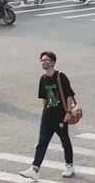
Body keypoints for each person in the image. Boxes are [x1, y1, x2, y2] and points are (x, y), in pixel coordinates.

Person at [19, 52, 76, 181]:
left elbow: (69, 95)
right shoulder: (42, 79)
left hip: (61, 115)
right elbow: (44, 98)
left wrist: (68, 112)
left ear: (53, 62)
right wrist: (45, 111)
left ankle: (69, 165)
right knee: (42, 143)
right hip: (47, 116)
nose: (44, 62)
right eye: (42, 60)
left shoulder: (60, 77)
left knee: (65, 141)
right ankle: (35, 169)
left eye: (47, 60)